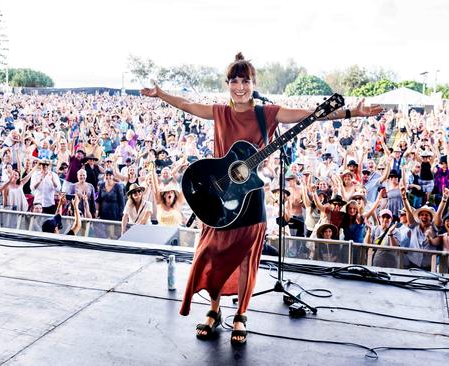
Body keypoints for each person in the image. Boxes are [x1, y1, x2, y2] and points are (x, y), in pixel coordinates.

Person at [140, 52, 381, 345]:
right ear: (228, 84)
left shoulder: (266, 114)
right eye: (234, 81)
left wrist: (350, 113)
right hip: (218, 195)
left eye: (245, 81)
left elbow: (307, 114)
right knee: (212, 255)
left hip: (250, 198)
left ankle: (241, 313)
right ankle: (214, 310)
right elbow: (188, 105)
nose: (239, 87)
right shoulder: (220, 112)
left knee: (244, 259)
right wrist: (160, 94)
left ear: (254, 83)